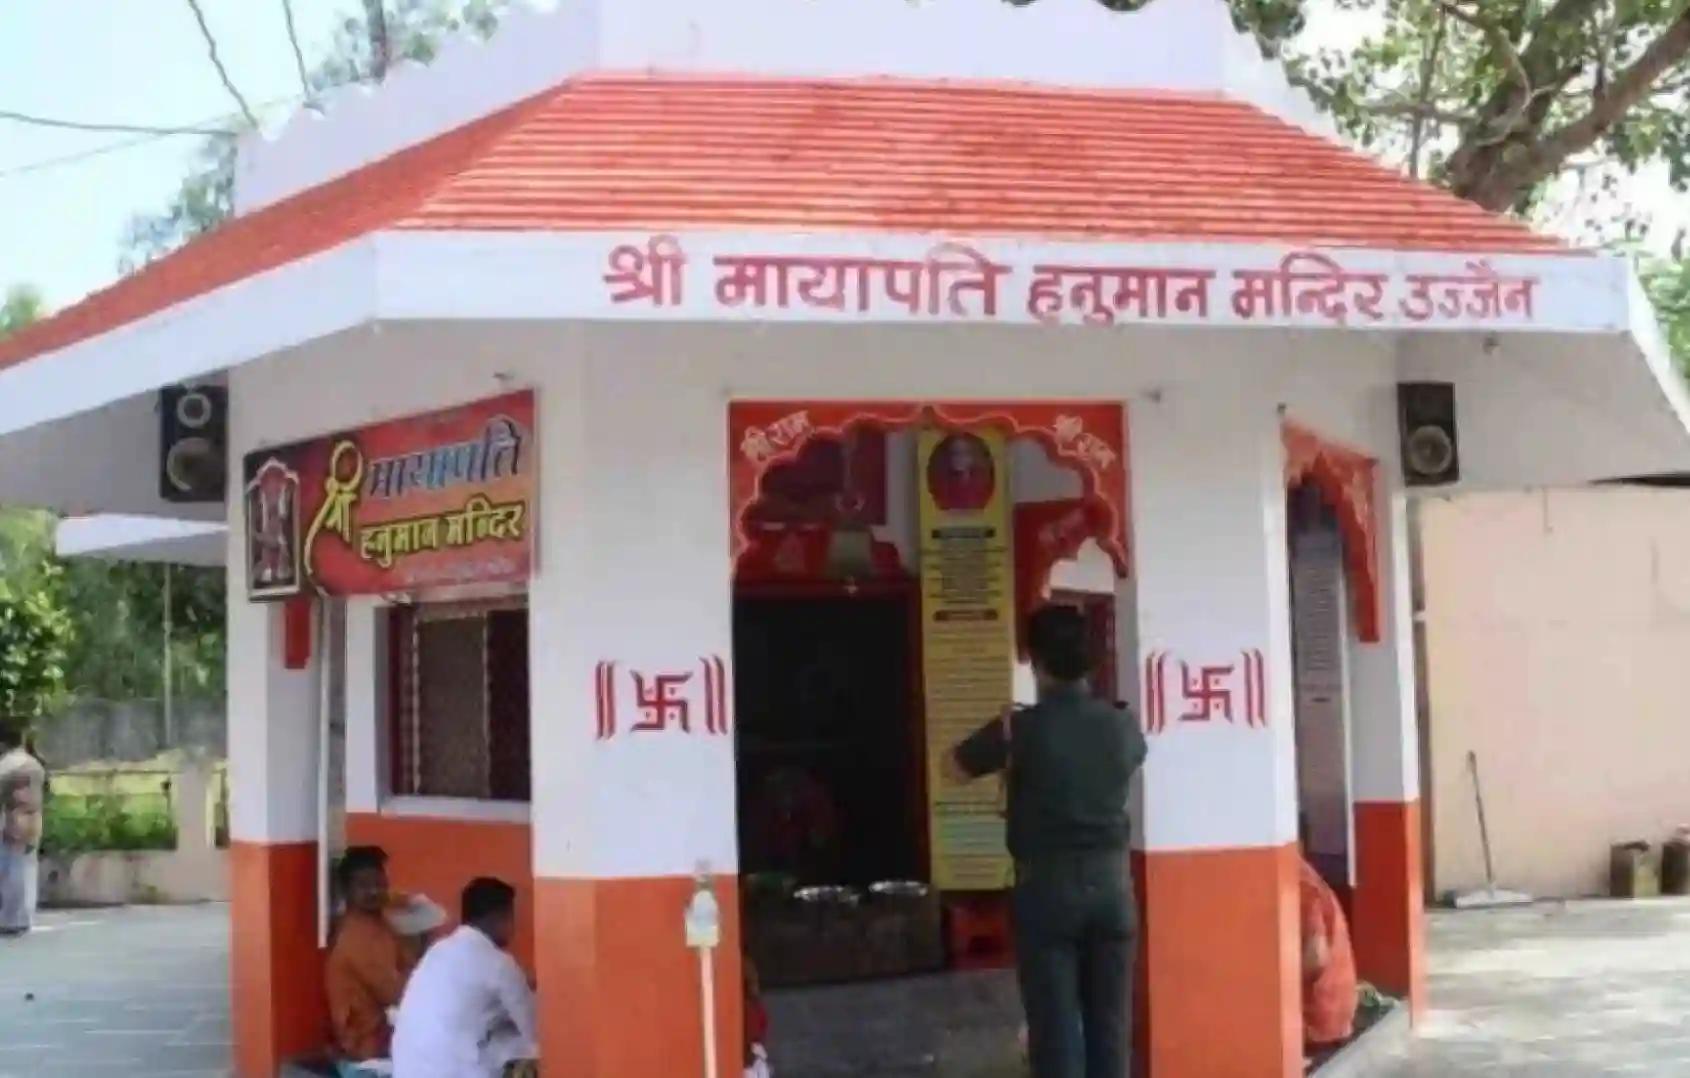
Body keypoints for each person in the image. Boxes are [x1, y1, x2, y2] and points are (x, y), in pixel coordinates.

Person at [945, 605, 1147, 1078]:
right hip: (1113, 889)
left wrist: (1008, 743)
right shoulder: (1122, 724)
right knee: (1111, 1029)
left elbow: (951, 768)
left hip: (1047, 892)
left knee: (1056, 1034)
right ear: (1092, 662)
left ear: (1035, 662)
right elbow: (1132, 756)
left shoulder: (1020, 729)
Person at [392, 877, 537, 1078]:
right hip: (451, 1071)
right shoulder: (498, 963)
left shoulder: (438, 950)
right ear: (500, 917)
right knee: (519, 1049)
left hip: (406, 1069)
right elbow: (535, 1031)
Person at [325, 847, 416, 1072]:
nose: (375, 891)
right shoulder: (356, 937)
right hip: (368, 1045)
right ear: (346, 890)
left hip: (386, 1031)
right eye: (364, 885)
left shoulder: (376, 920)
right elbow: (398, 993)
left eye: (380, 883)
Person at [1300, 854, 1358, 1055]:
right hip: (1333, 1014)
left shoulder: (1300, 885)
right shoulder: (1303, 878)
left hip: (1319, 1020)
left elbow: (1316, 958)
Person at [0, 729, 47, 937]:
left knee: (12, 871)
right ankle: (25, 917)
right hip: (34, 819)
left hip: (16, 820)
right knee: (27, 868)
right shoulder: (34, 763)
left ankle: (12, 920)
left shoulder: (9, 764)